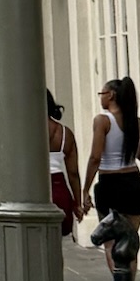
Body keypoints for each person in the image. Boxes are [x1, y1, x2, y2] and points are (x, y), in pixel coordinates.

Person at [82, 76, 140, 281]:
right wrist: (130, 145)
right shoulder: (139, 123)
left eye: (101, 93)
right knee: (130, 243)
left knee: (111, 245)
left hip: (110, 183)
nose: (100, 97)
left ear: (111, 95)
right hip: (133, 182)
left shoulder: (103, 121)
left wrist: (85, 190)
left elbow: (95, 157)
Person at [47, 92, 82, 243]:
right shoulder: (65, 133)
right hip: (60, 188)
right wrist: (77, 202)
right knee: (56, 242)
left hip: (37, 189)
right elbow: (73, 173)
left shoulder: (28, 131)